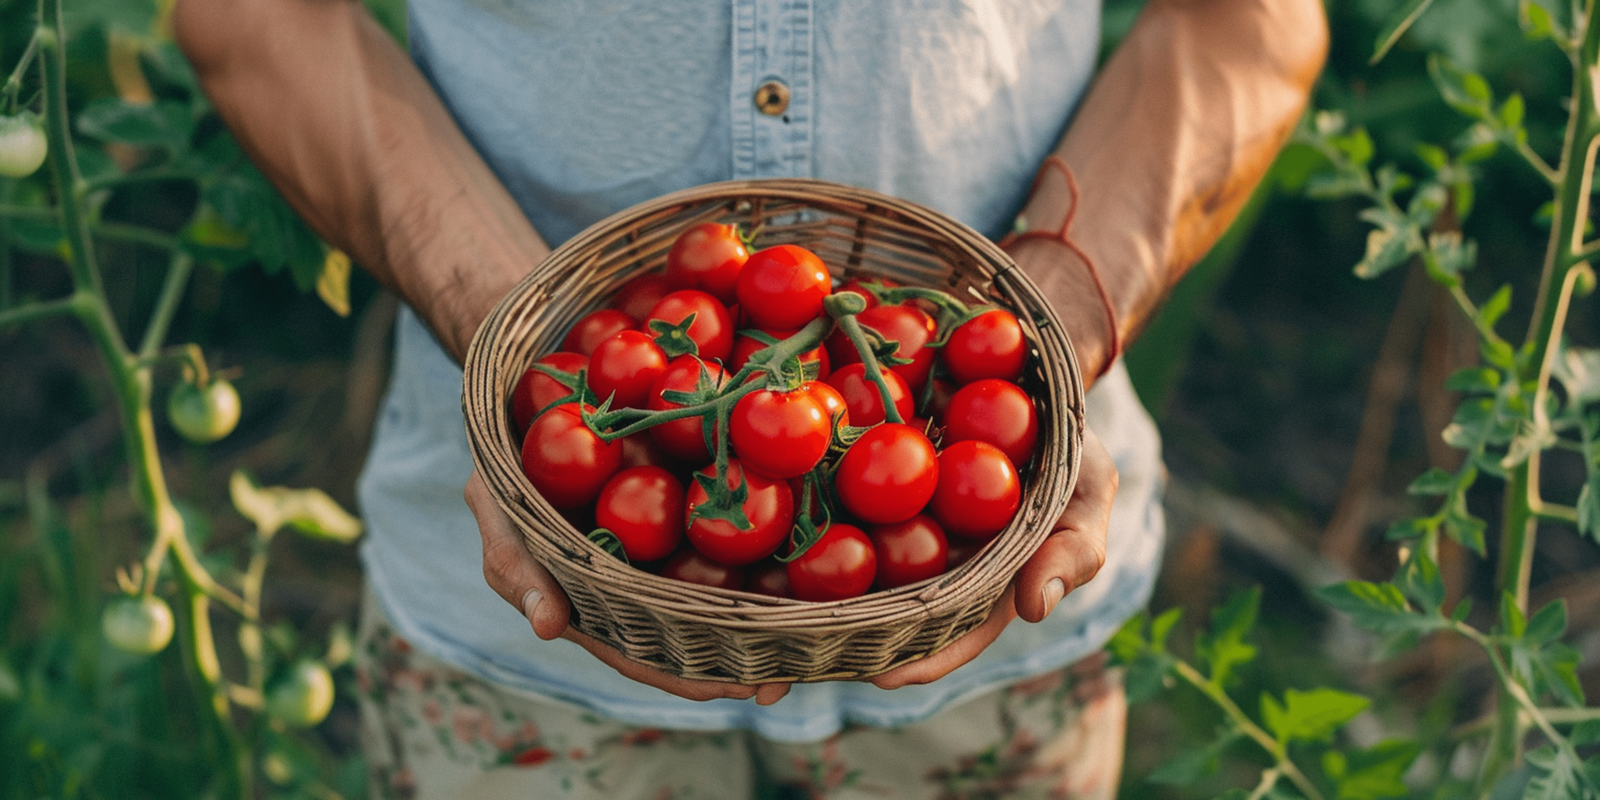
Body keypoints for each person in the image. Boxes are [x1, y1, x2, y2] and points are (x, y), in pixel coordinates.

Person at [172, 0, 1327, 797]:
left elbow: (1250, 23)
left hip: (1003, 599)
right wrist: (512, 346)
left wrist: (1047, 342)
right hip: (511, 615)